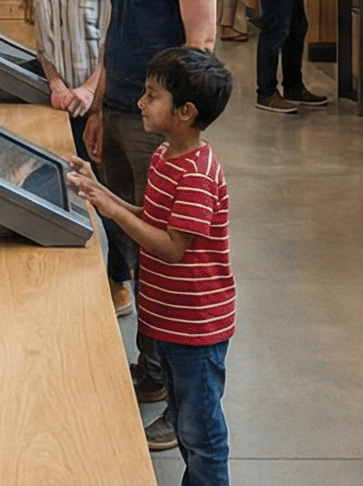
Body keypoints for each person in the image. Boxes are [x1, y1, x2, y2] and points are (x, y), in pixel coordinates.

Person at [85, 0, 219, 445]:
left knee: (169, 258)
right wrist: (104, 98)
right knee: (133, 249)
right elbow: (117, 17)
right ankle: (152, 369)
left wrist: (175, 135)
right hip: (120, 110)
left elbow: (202, 44)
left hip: (160, 123)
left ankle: (173, 388)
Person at [72, 46, 237, 486]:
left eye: (152, 96)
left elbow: (172, 247)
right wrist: (98, 190)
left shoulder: (199, 174)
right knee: (184, 420)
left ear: (186, 112)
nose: (141, 102)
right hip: (167, 318)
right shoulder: (166, 156)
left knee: (200, 432)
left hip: (196, 326)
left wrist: (114, 213)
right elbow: (152, 215)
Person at [21, 0, 116, 299]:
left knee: (110, 194)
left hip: (102, 98)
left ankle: (119, 279)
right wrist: (57, 83)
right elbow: (42, 37)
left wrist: (90, 91)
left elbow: (117, 31)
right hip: (62, 99)